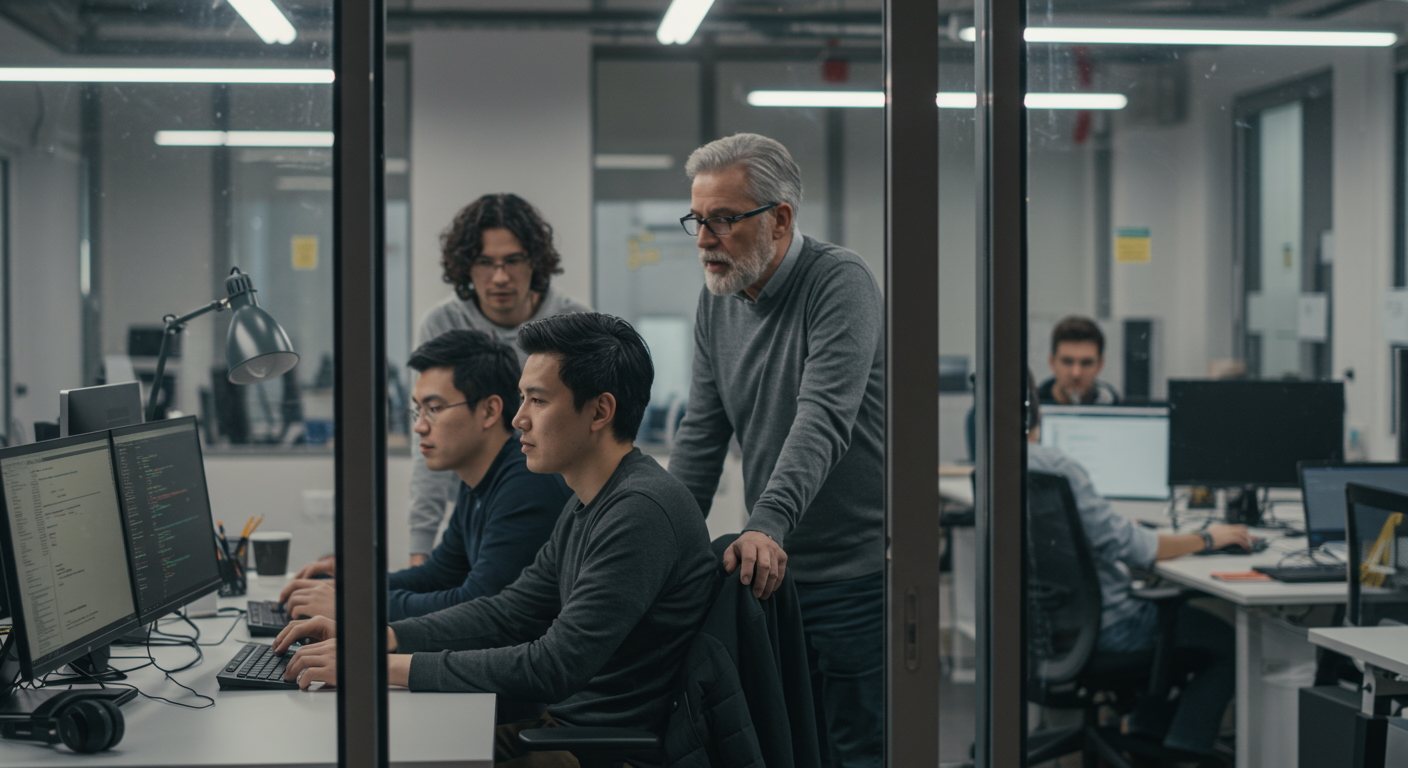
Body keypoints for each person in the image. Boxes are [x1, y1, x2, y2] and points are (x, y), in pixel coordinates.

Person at [275, 313, 717, 768]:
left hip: (594, 750)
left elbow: (552, 665)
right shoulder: (588, 501)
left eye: (537, 400)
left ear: (600, 412)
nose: (519, 418)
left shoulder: (639, 510)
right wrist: (379, 638)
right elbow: (507, 612)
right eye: (523, 398)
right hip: (558, 729)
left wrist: (375, 664)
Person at [666, 133, 884, 768]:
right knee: (790, 749)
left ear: (780, 219)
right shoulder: (717, 302)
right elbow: (702, 435)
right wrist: (660, 538)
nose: (705, 240)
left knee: (858, 753)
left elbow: (823, 418)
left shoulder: (839, 282)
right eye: (697, 220)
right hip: (773, 577)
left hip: (852, 575)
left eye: (723, 220)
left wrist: (766, 523)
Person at [279, 330, 570, 622]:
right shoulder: (479, 480)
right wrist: (349, 584)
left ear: (489, 411)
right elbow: (440, 575)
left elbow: (478, 604)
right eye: (418, 410)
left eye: (434, 409)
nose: (419, 426)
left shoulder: (527, 483)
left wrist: (354, 603)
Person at [1026, 373, 1244, 758]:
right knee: (1230, 644)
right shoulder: (1056, 465)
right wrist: (1209, 538)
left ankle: (1147, 741)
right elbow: (1134, 548)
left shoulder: (998, 465)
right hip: (1110, 630)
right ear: (1036, 410)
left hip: (1043, 631)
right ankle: (1181, 754)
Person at [410, 193, 590, 567]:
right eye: (484, 263)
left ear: (534, 262)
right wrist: (419, 548)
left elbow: (592, 435)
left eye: (513, 261)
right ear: (466, 267)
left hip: (555, 507)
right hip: (476, 502)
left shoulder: (575, 325)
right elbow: (429, 431)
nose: (500, 277)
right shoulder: (443, 324)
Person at [1038, 315, 1121, 405]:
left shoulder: (1111, 403)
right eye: (1067, 362)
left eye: (1086, 363)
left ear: (1100, 365)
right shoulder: (1033, 404)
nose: (1076, 373)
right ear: (1052, 362)